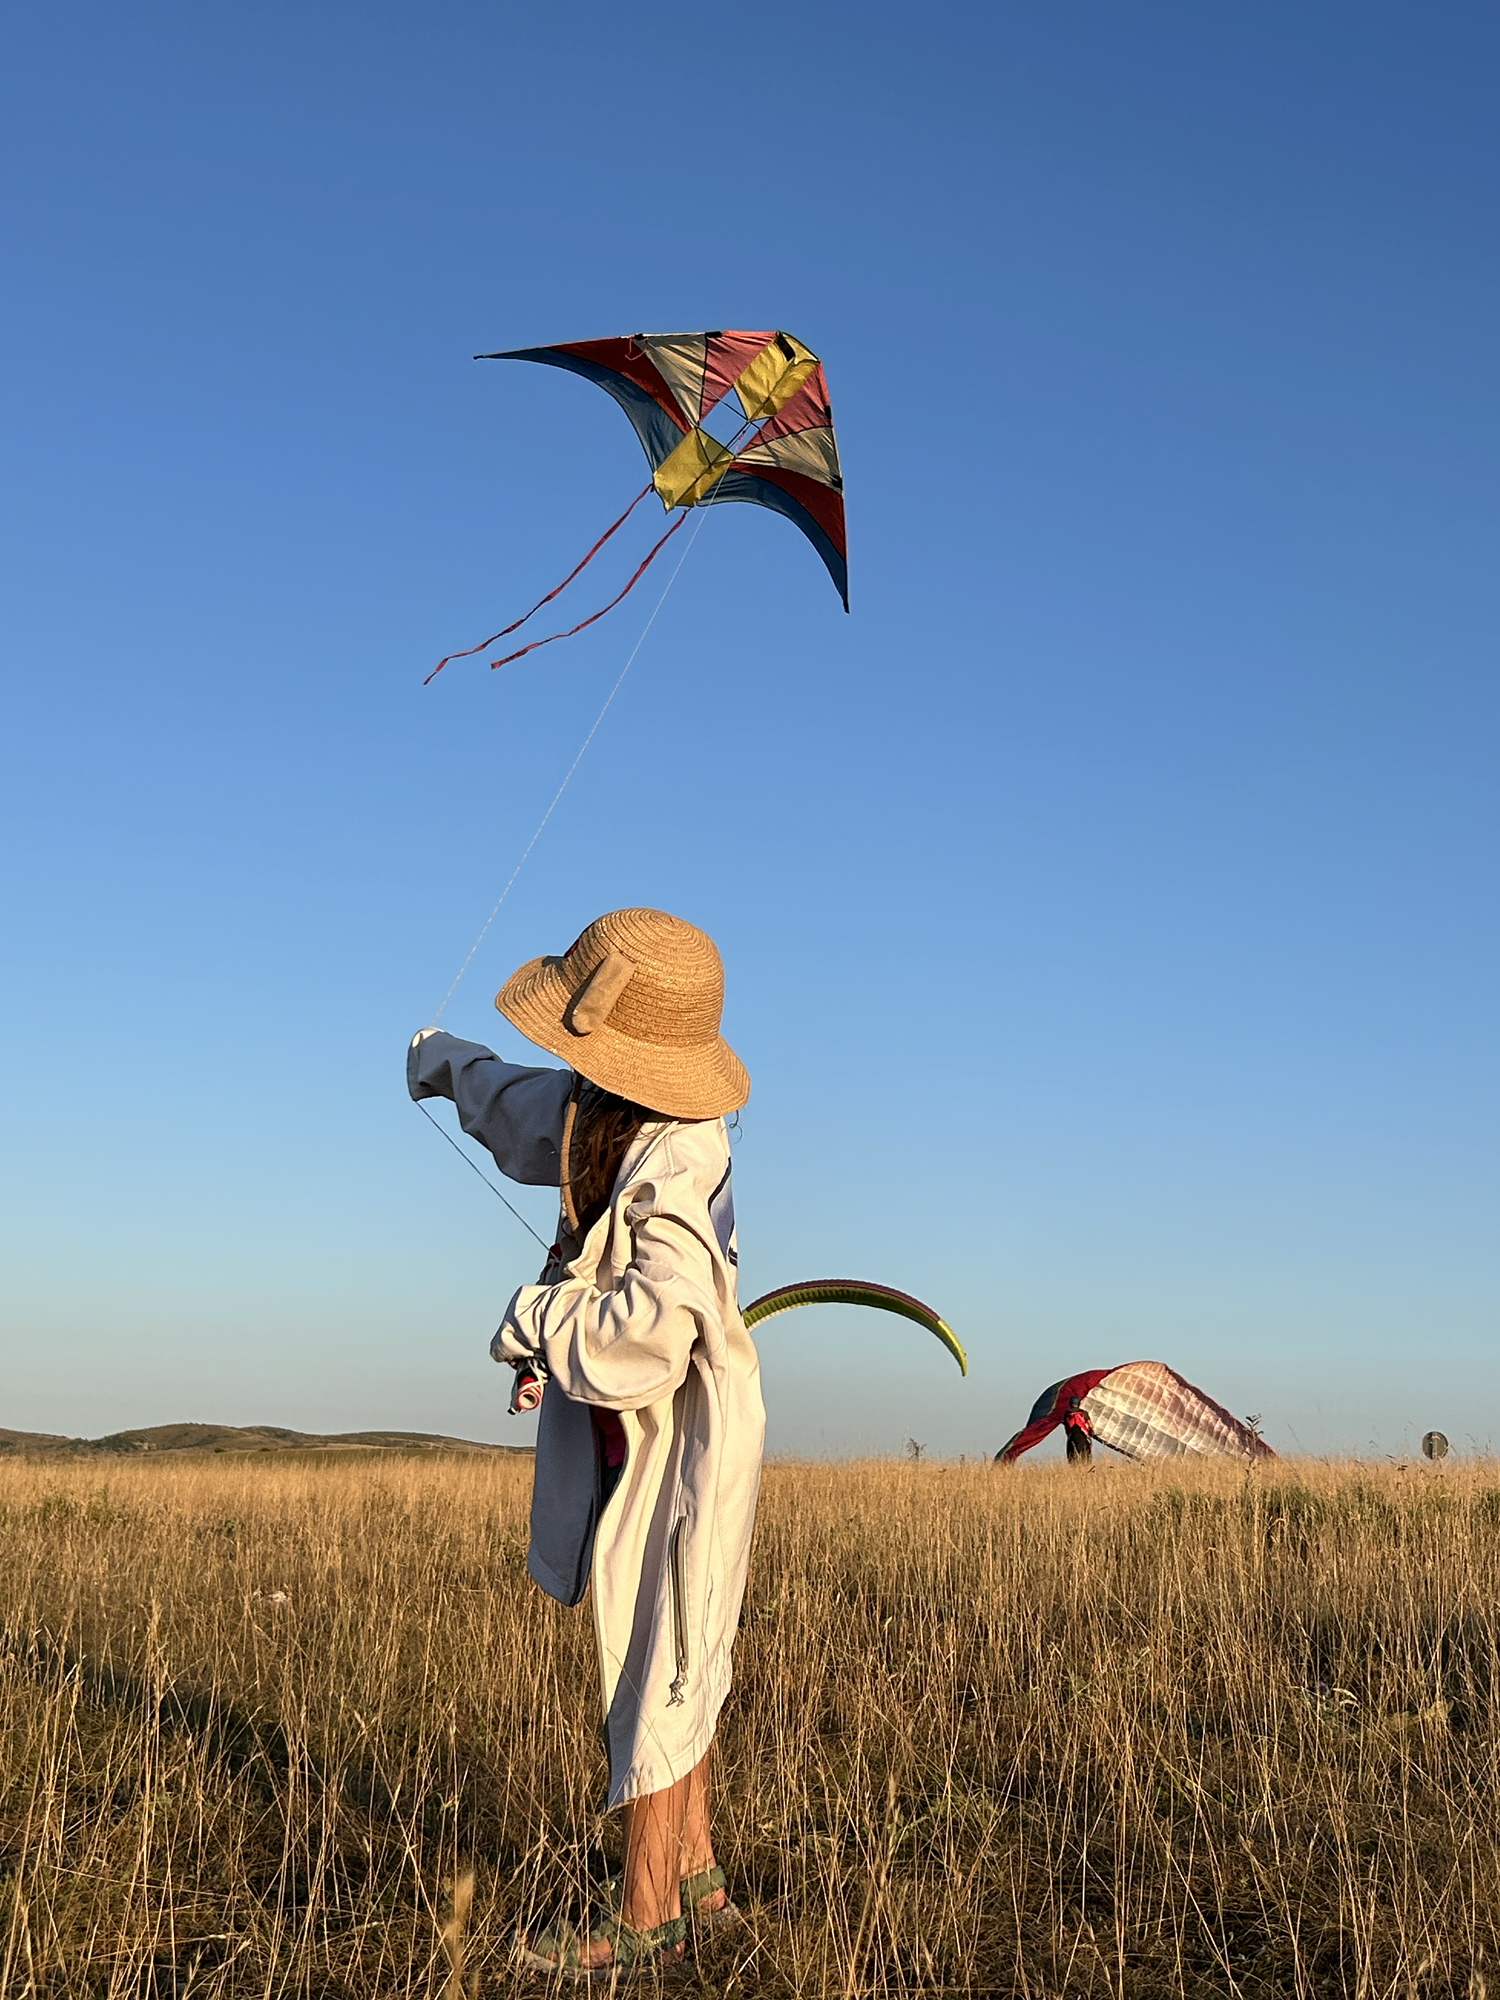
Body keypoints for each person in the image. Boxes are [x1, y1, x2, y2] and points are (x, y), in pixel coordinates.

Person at [408, 907, 765, 1975]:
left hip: (676, 1440)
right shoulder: (599, 1105)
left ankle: (651, 1908)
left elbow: (652, 1334)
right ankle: (696, 1879)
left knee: (664, 1653)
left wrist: (535, 1319)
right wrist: (441, 1063)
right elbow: (521, 1110)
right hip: (619, 1433)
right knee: (670, 1648)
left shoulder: (681, 1152)